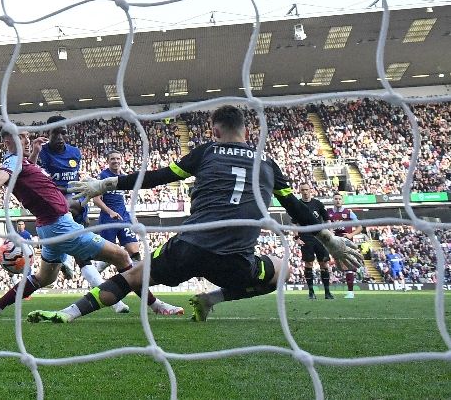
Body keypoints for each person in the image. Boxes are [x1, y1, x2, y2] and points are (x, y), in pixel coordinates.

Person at [27, 106, 362, 324]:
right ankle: (211, 298)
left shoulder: (205, 152)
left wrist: (108, 183)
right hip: (235, 261)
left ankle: (69, 313)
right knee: (282, 271)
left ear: (214, 131)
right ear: (247, 132)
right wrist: (329, 240)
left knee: (132, 276)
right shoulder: (269, 166)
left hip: (187, 249)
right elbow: (299, 211)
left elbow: (158, 177)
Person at [0, 128, 183, 317]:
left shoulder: (21, 162)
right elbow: (1, 177)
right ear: (8, 141)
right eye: (21, 137)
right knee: (121, 255)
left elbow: (21, 171)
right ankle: (156, 305)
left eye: (28, 136)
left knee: (43, 278)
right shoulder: (11, 161)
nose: (27, 140)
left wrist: (35, 153)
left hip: (48, 227)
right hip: (61, 225)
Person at [31, 116, 128, 313]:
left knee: (83, 258)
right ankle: (67, 259)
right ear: (48, 133)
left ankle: (115, 301)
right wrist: (34, 152)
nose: (60, 137)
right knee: (78, 255)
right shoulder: (43, 153)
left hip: (76, 204)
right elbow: (29, 171)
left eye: (63, 132)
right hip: (54, 205)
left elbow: (75, 182)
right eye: (55, 133)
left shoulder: (75, 152)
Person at [92, 150, 143, 271]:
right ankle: (95, 274)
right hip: (108, 219)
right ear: (108, 161)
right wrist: (110, 212)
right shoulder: (103, 177)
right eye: (112, 159)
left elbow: (125, 198)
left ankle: (137, 278)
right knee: (109, 256)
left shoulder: (124, 177)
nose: (116, 161)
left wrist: (131, 214)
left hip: (124, 217)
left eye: (118, 159)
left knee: (135, 252)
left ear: (122, 160)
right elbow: (96, 200)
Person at [296, 183, 334, 300]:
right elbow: (294, 223)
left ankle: (327, 292)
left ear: (310, 190)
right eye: (303, 190)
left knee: (324, 263)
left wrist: (328, 233)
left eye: (307, 189)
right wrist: (297, 238)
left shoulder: (317, 203)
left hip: (320, 236)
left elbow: (327, 219)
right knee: (309, 263)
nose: (305, 192)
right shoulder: (298, 204)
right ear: (300, 191)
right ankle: (311, 292)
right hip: (306, 236)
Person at [328, 193, 363, 299]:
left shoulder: (348, 212)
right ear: (333, 200)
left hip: (347, 242)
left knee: (347, 267)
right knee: (340, 267)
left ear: (342, 201)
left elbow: (360, 227)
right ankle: (357, 268)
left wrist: (351, 234)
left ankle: (350, 292)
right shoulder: (328, 212)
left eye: (339, 199)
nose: (338, 200)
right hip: (334, 243)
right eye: (336, 199)